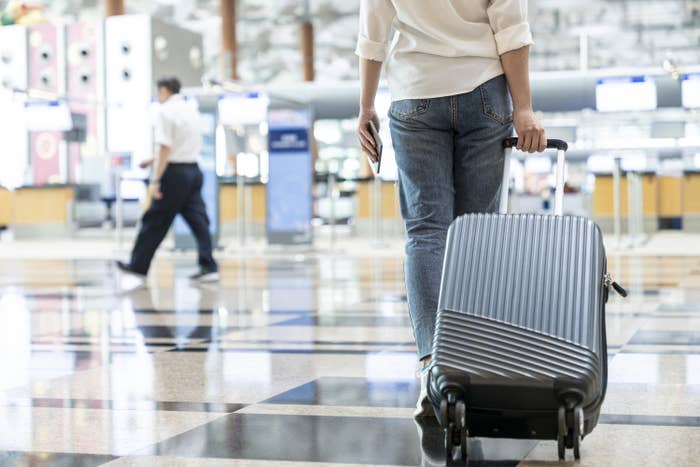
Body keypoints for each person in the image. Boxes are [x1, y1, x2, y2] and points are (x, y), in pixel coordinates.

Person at [355, 0, 547, 417]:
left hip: (415, 92)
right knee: (477, 231)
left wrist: (366, 107)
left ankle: (432, 369)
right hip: (485, 92)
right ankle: (473, 362)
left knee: (427, 232)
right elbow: (511, 28)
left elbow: (372, 36)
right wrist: (525, 107)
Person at [117, 77, 219, 283]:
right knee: (199, 221)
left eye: (158, 92)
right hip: (193, 171)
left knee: (154, 220)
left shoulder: (164, 111)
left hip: (174, 175)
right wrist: (152, 159)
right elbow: (182, 145)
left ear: (164, 90)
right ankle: (209, 265)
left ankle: (138, 266)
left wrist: (155, 180)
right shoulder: (191, 109)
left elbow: (166, 147)